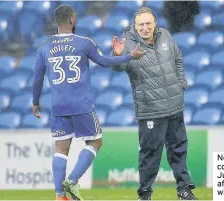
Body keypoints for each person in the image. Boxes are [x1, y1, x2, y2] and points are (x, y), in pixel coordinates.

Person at [32, 4, 146, 201]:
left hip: (58, 106)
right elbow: (104, 62)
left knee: (60, 149)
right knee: (95, 141)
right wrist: (128, 55)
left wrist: (35, 102)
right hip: (81, 104)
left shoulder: (43, 48)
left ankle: (60, 195)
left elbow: (37, 78)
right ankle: (73, 180)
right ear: (72, 20)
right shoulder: (84, 43)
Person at [111, 7, 197, 200]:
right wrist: (117, 56)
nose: (145, 28)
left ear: (155, 23)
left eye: (148, 23)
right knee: (150, 153)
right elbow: (118, 67)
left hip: (174, 105)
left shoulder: (165, 35)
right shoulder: (128, 43)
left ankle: (184, 189)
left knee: (179, 148)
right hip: (150, 109)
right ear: (135, 25)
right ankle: (145, 193)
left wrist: (180, 83)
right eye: (141, 24)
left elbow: (178, 59)